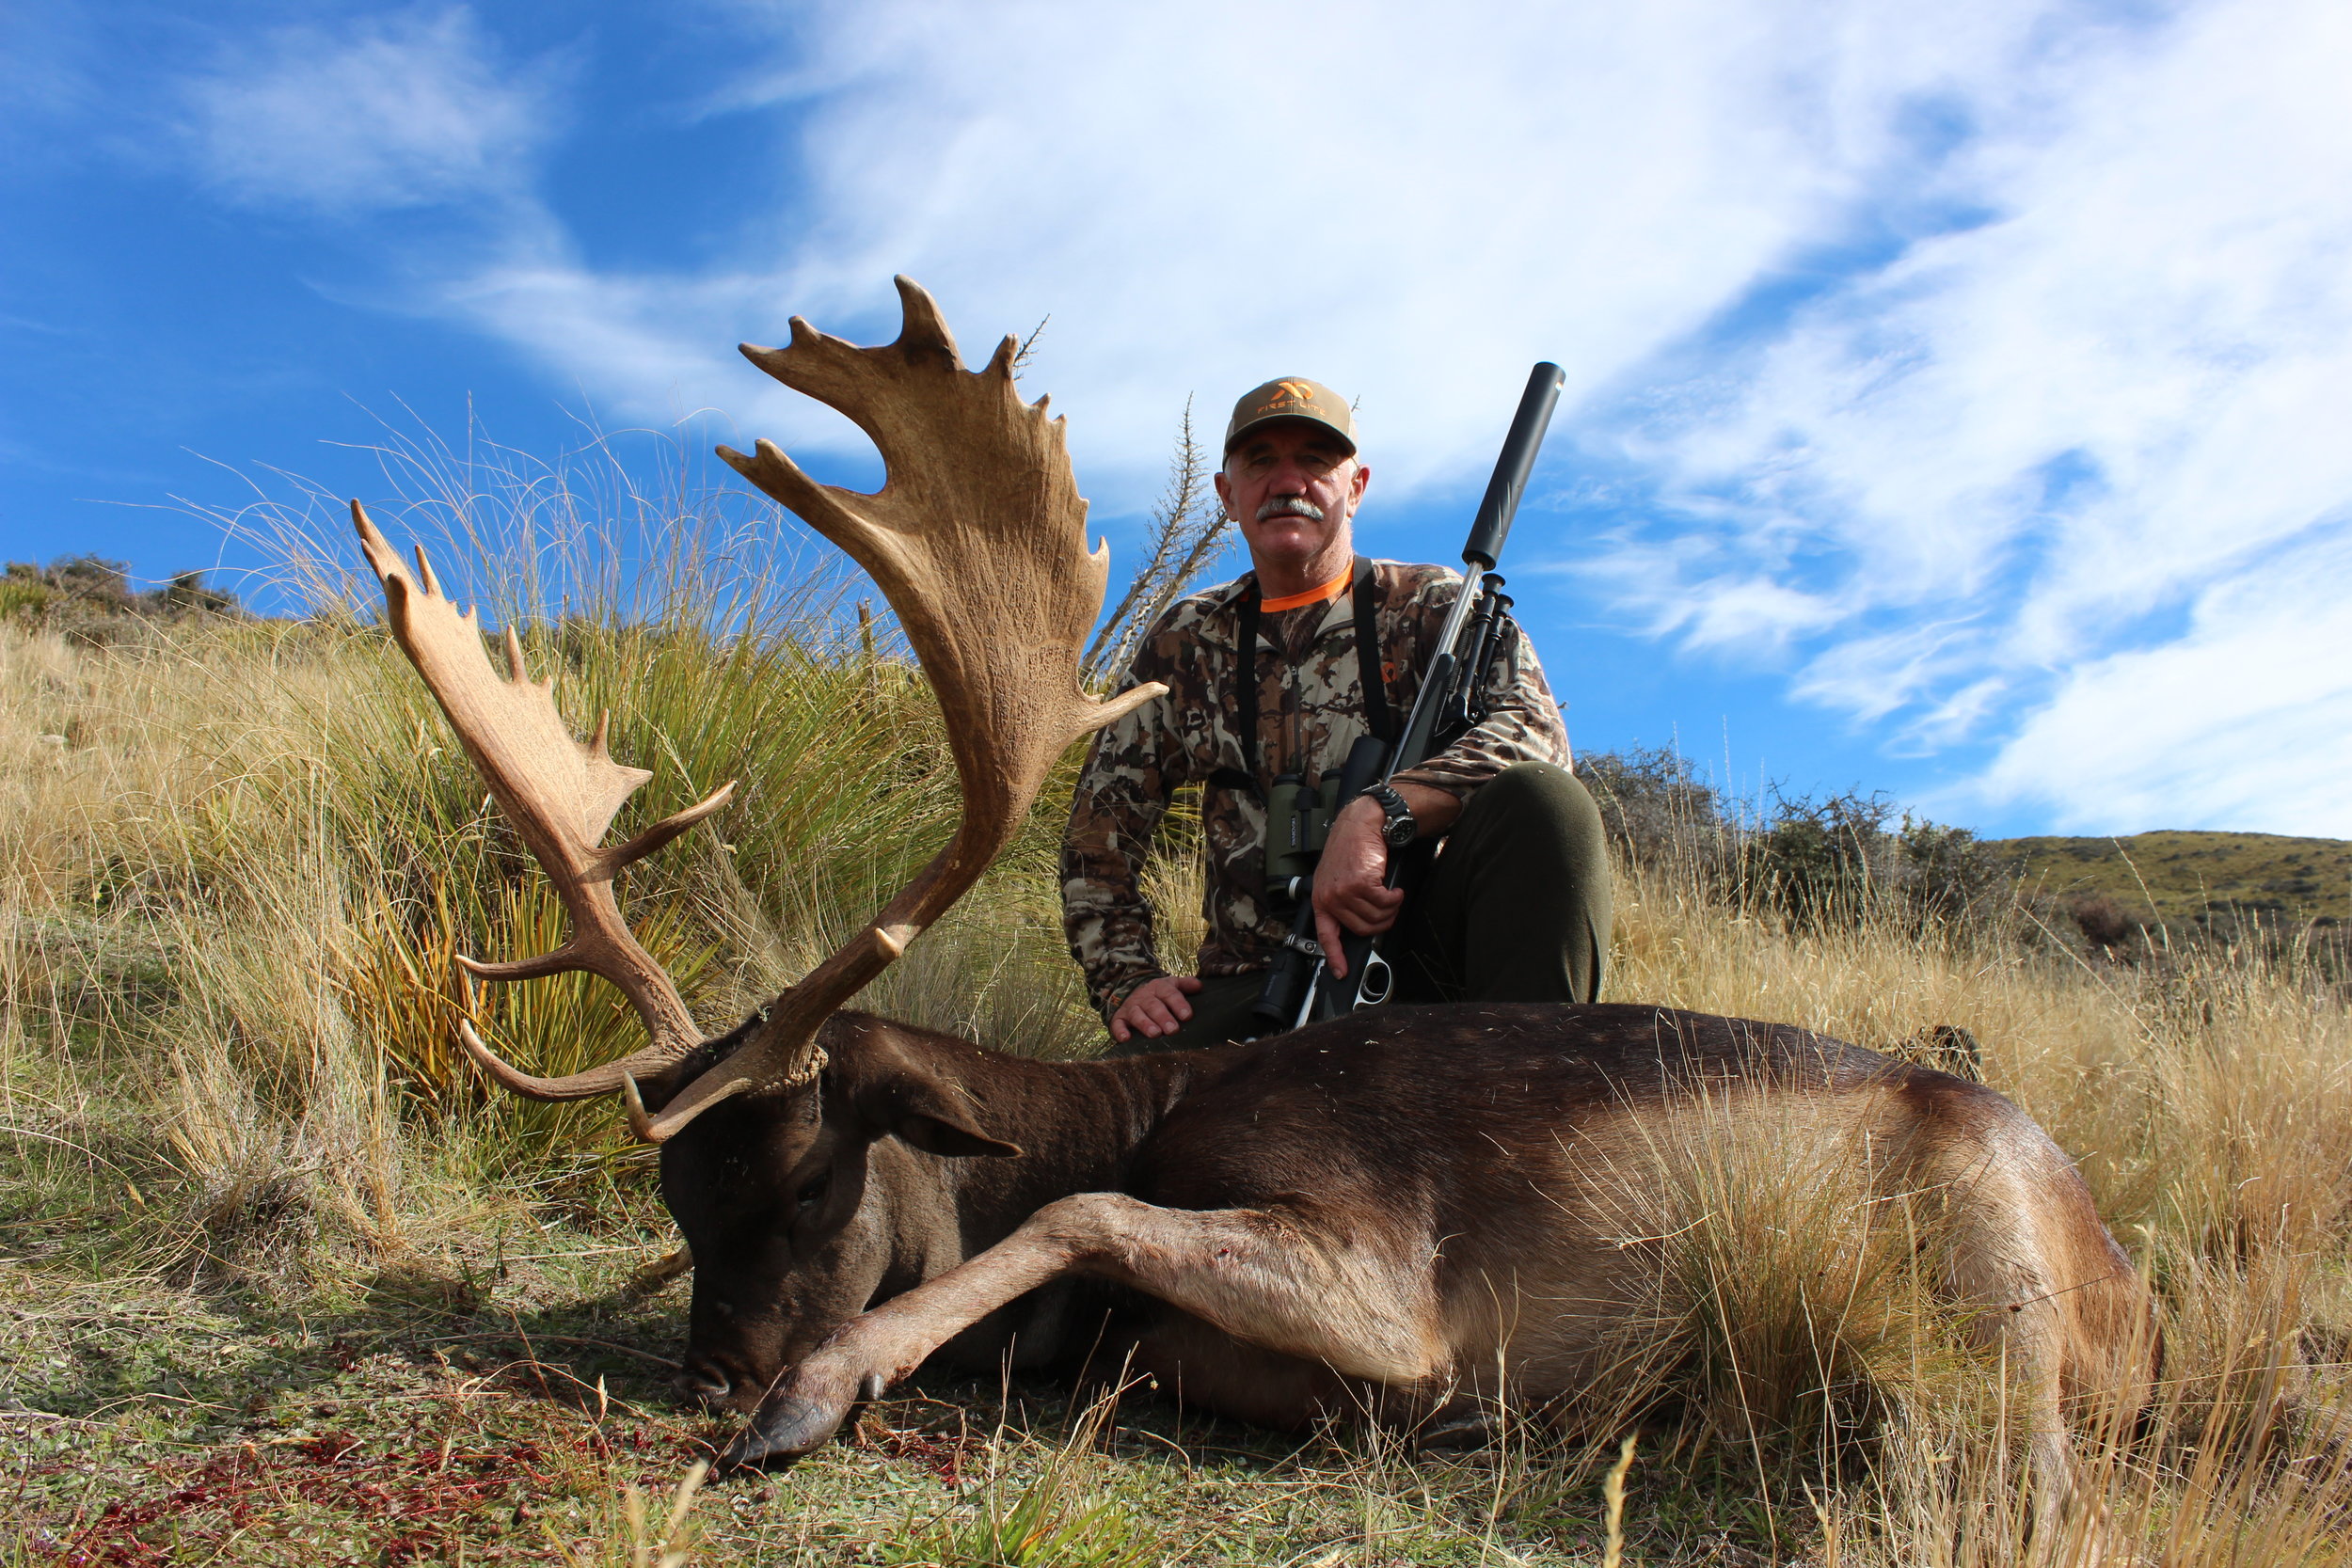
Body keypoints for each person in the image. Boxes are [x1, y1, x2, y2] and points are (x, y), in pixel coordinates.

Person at [1061, 376, 1613, 1050]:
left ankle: (1531, 1096)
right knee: (1112, 1098)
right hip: (1259, 987)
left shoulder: (1435, 607)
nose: (1288, 480)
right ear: (1227, 493)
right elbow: (1098, 833)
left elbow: (1537, 736)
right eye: (1261, 460)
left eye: (1316, 461)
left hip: (1426, 972)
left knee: (1548, 806)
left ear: (1356, 486)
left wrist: (1380, 812)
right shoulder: (1186, 642)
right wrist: (1126, 979)